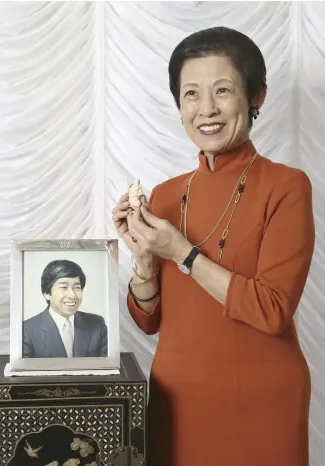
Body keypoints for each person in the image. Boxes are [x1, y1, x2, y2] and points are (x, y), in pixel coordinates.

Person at [112, 27, 315, 466]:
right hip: (177, 400)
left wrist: (181, 252)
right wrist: (145, 263)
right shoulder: (164, 196)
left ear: (256, 96)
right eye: (190, 94)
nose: (206, 109)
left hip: (262, 404)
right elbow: (149, 322)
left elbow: (272, 308)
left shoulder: (286, 187)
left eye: (222, 90)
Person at [23, 259, 108, 358]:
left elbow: (107, 367)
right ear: (47, 293)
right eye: (63, 287)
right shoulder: (26, 330)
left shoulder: (97, 324)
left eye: (77, 288)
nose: (72, 295)